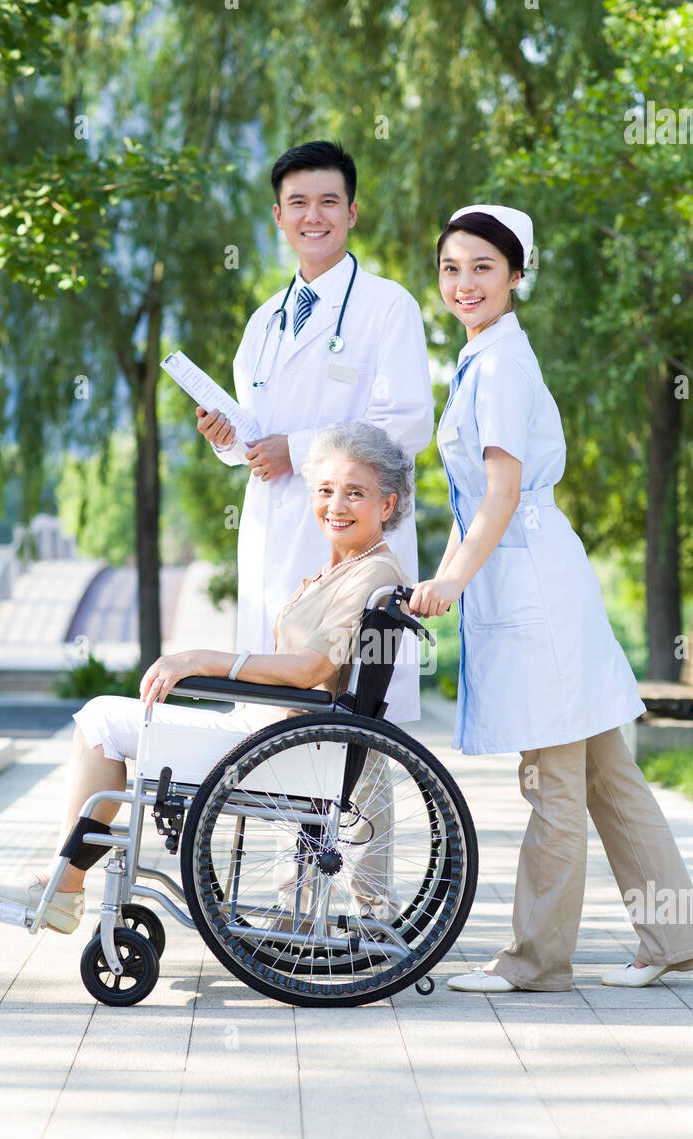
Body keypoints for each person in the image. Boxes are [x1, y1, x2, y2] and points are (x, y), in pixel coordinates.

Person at [409, 204, 693, 992]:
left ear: (517, 275)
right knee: (609, 774)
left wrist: (451, 580)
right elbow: (474, 496)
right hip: (539, 576)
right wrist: (445, 575)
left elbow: (501, 492)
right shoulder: (486, 357)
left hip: (534, 584)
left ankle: (537, 960)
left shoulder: (503, 363)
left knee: (555, 782)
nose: (464, 282)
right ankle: (674, 937)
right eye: (451, 267)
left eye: (483, 267)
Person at [0, 423, 412, 935]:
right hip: (268, 737)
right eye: (326, 490)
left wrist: (205, 660)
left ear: (386, 505)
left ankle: (63, 887)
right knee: (105, 722)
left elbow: (311, 670)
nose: (336, 504)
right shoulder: (343, 569)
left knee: (100, 721)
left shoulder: (373, 574)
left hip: (275, 747)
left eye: (355, 493)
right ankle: (64, 884)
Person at [196, 139, 432, 723]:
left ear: (352, 212)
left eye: (329, 201)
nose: (313, 216)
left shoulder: (388, 306)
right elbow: (255, 439)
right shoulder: (264, 321)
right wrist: (227, 439)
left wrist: (298, 451)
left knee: (355, 739)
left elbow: (408, 425)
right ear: (278, 216)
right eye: (298, 203)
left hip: (347, 542)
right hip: (273, 535)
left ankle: (365, 819)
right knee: (265, 738)